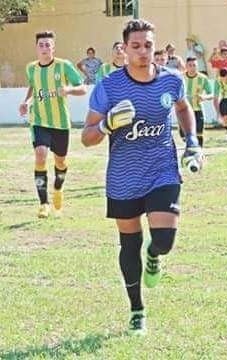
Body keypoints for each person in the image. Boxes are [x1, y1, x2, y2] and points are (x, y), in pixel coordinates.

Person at [81, 19, 203, 336]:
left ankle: (155, 254)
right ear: (124, 49)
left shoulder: (171, 80)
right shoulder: (109, 86)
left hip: (162, 169)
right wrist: (107, 124)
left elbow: (183, 108)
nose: (143, 52)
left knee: (163, 240)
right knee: (129, 244)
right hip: (123, 177)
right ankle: (137, 310)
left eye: (148, 45)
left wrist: (192, 141)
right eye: (136, 46)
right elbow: (87, 136)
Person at [18, 30, 86, 218]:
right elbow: (33, 87)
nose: (45, 48)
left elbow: (82, 88)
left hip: (61, 123)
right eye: (41, 45)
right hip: (39, 121)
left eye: (48, 44)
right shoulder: (31, 68)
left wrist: (69, 90)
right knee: (40, 154)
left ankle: (58, 189)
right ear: (36, 48)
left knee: (60, 161)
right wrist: (26, 102)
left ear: (53, 47)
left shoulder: (64, 66)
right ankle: (43, 203)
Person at [183, 57, 212, 147]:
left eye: (194, 65)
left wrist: (204, 97)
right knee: (185, 134)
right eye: (190, 65)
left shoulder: (203, 78)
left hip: (198, 109)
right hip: (184, 110)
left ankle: (199, 153)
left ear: (197, 66)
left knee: (199, 133)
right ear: (186, 66)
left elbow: (211, 94)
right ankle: (190, 149)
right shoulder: (181, 77)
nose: (192, 68)